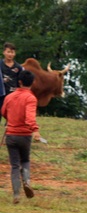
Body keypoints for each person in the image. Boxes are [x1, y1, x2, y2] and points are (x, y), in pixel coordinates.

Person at [1, 70, 42, 204]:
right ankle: (27, 181)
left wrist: (11, 119)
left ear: (19, 81)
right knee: (25, 160)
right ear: (32, 83)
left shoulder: (9, 97)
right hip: (24, 136)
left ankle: (16, 194)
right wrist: (35, 130)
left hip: (11, 135)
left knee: (14, 165)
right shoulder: (30, 98)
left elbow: (3, 112)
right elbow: (30, 117)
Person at [1, 42, 23, 112]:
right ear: (4, 52)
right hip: (1, 94)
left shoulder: (18, 67)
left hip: (13, 95)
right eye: (8, 52)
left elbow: (21, 82)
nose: (10, 54)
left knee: (11, 115)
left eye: (12, 52)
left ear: (15, 53)